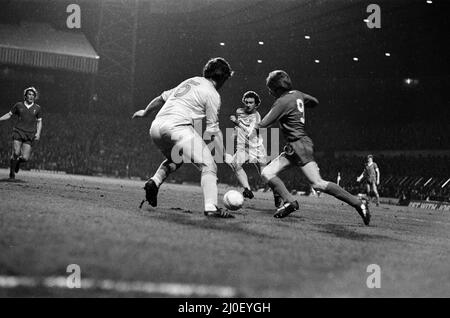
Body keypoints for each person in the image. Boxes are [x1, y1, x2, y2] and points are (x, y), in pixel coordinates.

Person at [254, 70, 370, 225]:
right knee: (267, 172)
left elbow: (263, 124)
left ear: (277, 88)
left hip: (299, 145)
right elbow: (315, 101)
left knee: (318, 183)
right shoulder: (297, 94)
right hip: (295, 146)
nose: (269, 92)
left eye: (270, 88)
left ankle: (358, 203)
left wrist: (242, 126)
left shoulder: (281, 101)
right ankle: (290, 202)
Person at [132, 57, 234, 218]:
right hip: (178, 128)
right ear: (222, 78)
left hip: (156, 127)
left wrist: (145, 112)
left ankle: (155, 181)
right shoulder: (212, 94)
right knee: (209, 165)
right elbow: (213, 130)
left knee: (177, 158)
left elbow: (161, 98)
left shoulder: (191, 81)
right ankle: (211, 207)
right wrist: (222, 154)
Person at [225, 90, 283, 207]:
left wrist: (236, 122)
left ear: (256, 104)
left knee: (265, 175)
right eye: (246, 102)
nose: (248, 104)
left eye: (251, 102)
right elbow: (239, 129)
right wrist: (234, 135)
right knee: (235, 165)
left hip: (256, 148)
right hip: (243, 148)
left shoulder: (256, 116)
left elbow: (249, 131)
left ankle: (277, 193)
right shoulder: (239, 111)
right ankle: (247, 189)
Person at [0, 87, 42, 179]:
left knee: (25, 158)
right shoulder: (18, 105)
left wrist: (38, 133)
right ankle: (12, 172)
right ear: (25, 96)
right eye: (29, 94)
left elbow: (39, 121)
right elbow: (9, 114)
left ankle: (18, 162)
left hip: (30, 134)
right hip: (18, 131)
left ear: (35, 97)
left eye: (33, 95)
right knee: (16, 152)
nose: (31, 96)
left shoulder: (37, 108)